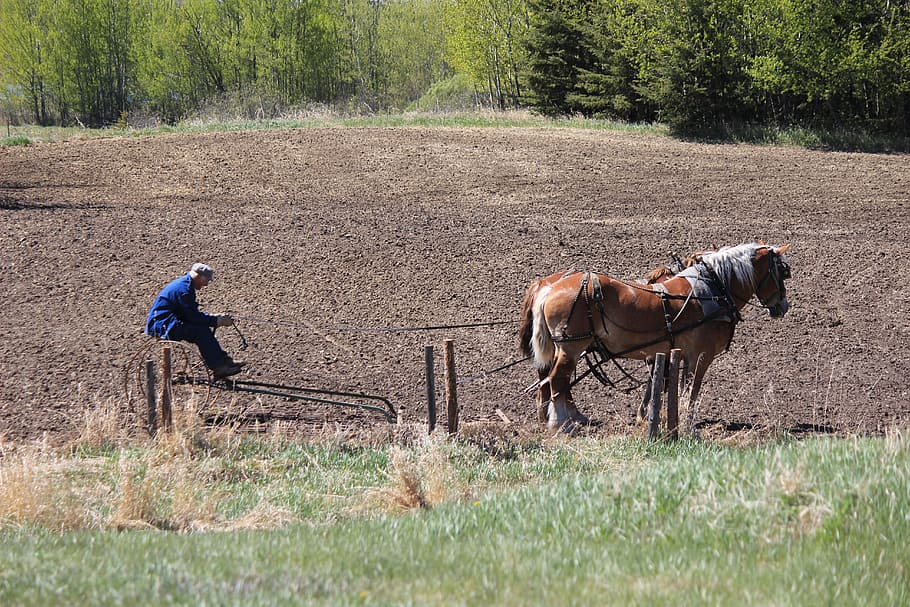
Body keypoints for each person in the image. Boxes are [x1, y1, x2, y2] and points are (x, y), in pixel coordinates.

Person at [145, 262, 244, 379]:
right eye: (207, 280)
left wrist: (213, 317)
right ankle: (219, 367)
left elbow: (191, 314)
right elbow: (193, 317)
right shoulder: (184, 290)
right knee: (200, 332)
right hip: (163, 324)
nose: (206, 284)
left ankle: (223, 361)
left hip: (169, 321)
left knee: (202, 329)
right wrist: (217, 321)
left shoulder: (185, 285)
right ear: (199, 276)